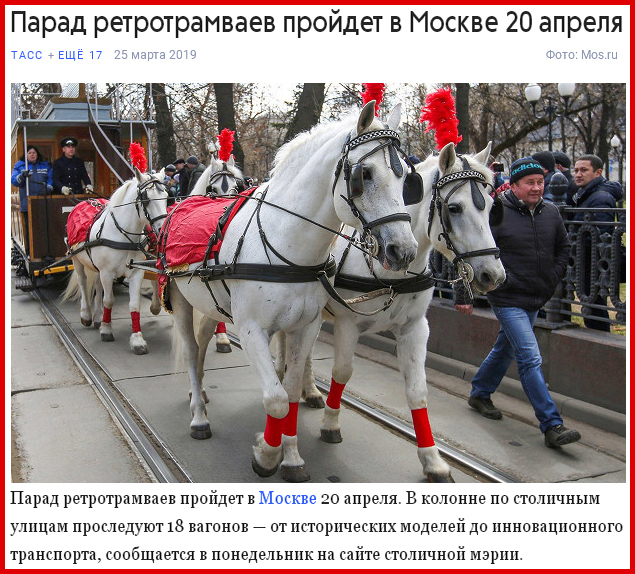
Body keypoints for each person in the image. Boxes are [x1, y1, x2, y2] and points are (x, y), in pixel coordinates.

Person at [465, 157, 581, 448]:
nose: (537, 187)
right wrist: (499, 282)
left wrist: (552, 277)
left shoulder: (551, 212)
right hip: (506, 296)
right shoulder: (495, 212)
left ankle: (480, 392)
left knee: (506, 349)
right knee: (530, 357)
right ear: (513, 186)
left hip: (536, 295)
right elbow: (475, 248)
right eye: (529, 183)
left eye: (540, 182)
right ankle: (552, 424)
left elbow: (563, 247)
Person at [568, 154, 623, 332]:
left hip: (593, 263)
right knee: (591, 307)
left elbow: (600, 236)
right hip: (587, 261)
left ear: (598, 172)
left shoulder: (600, 197)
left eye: (584, 170)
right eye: (576, 170)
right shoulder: (585, 194)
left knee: (595, 309)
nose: (578, 174)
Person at [11, 145, 54, 254]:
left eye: (34, 152)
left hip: (43, 202)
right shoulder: (20, 166)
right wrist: (22, 175)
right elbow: (15, 181)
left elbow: (51, 179)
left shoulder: (45, 166)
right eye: (29, 153)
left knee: (44, 227)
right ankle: (31, 252)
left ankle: (45, 251)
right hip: (27, 203)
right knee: (30, 229)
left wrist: (48, 188)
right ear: (26, 155)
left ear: (37, 154)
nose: (32, 154)